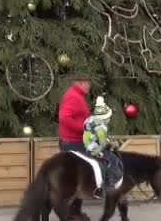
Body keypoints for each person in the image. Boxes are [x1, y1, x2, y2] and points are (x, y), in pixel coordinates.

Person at [58, 78, 91, 220]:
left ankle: (75, 212)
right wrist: (83, 129)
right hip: (73, 142)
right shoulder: (73, 96)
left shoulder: (77, 96)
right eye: (88, 83)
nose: (89, 86)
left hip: (76, 141)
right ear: (79, 82)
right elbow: (64, 118)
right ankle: (71, 214)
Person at [83, 96, 122, 200]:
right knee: (113, 159)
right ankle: (110, 183)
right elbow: (103, 142)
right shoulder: (102, 126)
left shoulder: (90, 119)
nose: (109, 119)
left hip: (87, 144)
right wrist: (113, 144)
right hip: (95, 148)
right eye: (108, 117)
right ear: (104, 117)